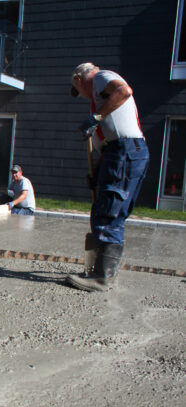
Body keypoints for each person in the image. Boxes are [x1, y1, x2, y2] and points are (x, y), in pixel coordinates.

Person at [65, 62, 149, 291]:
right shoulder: (102, 101)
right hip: (120, 153)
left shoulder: (101, 78)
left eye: (78, 90)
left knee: (109, 211)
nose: (81, 96)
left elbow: (124, 91)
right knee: (107, 208)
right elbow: (106, 145)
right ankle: (103, 270)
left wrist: (96, 117)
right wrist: (98, 172)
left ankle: (102, 277)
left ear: (80, 79)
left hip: (125, 151)